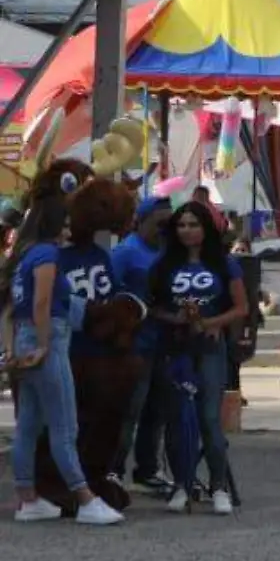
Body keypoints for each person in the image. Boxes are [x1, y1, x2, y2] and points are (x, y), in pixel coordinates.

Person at [7, 205, 126, 526]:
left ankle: (27, 497)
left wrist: (13, 349)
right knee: (65, 426)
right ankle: (85, 497)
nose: (69, 232)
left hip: (23, 336)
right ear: (53, 226)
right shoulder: (47, 254)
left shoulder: (24, 257)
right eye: (66, 225)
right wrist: (44, 344)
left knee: (29, 425)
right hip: (49, 337)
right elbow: (42, 303)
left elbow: (10, 309)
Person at [150, 199, 248, 514]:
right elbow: (149, 306)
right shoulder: (164, 266)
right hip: (176, 348)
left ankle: (218, 486)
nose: (187, 230)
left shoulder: (224, 264)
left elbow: (242, 307)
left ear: (206, 228)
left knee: (209, 418)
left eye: (193, 224)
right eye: (181, 225)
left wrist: (213, 323)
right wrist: (175, 318)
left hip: (210, 348)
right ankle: (182, 485)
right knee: (178, 419)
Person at [109, 196, 170, 489]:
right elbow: (108, 294)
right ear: (142, 221)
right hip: (134, 347)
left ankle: (147, 469)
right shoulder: (125, 252)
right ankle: (114, 469)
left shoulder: (169, 252)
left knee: (156, 411)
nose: (165, 228)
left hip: (164, 344)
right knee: (129, 410)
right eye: (160, 223)